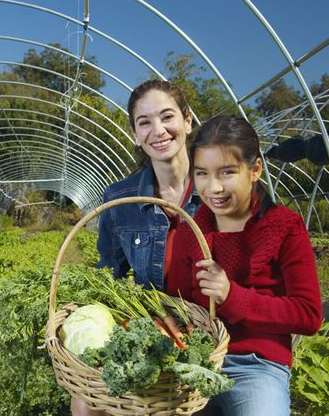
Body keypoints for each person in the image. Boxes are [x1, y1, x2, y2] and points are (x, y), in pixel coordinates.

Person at [166, 115, 323, 416]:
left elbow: (309, 315)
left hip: (258, 365)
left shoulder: (285, 227)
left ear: (254, 170)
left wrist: (231, 296)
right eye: (202, 173)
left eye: (227, 172)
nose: (213, 188)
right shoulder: (189, 231)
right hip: (198, 362)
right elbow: (175, 304)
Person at [71, 79, 200, 416]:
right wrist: (81, 321)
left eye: (167, 116)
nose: (158, 130)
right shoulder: (119, 198)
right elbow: (108, 273)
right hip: (150, 329)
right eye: (144, 122)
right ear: (135, 134)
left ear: (187, 120)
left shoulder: (217, 187)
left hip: (210, 333)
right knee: (85, 402)